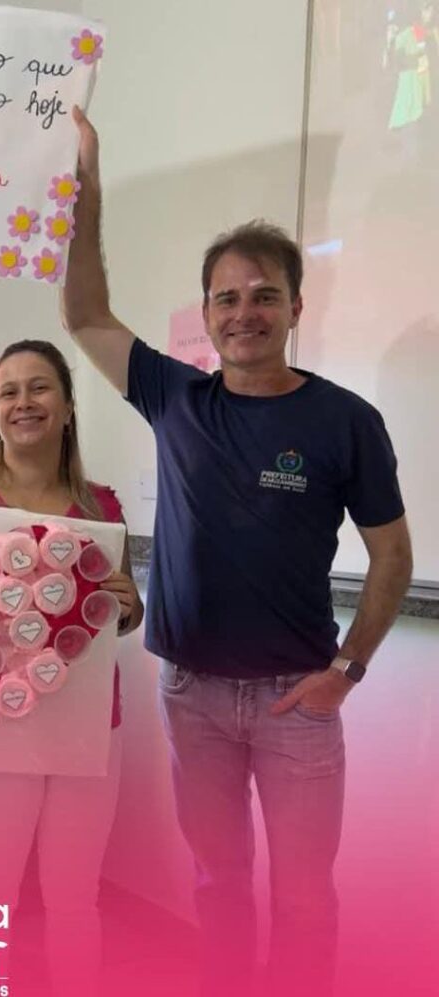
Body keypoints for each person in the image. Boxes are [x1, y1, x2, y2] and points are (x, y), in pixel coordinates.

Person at [61, 106, 413, 997]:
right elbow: (85, 312)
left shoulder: (345, 421)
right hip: (194, 695)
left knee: (303, 896)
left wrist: (349, 668)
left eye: (264, 295)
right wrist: (87, 183)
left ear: (295, 306)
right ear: (207, 314)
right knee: (217, 882)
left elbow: (392, 557)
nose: (245, 311)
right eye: (227, 297)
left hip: (299, 703)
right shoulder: (174, 397)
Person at [0, 339, 143, 996]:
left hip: (87, 726)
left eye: (40, 387)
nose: (24, 402)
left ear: (68, 406)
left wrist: (128, 606)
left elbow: (124, 617)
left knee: (75, 896)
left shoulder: (102, 507)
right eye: (9, 391)